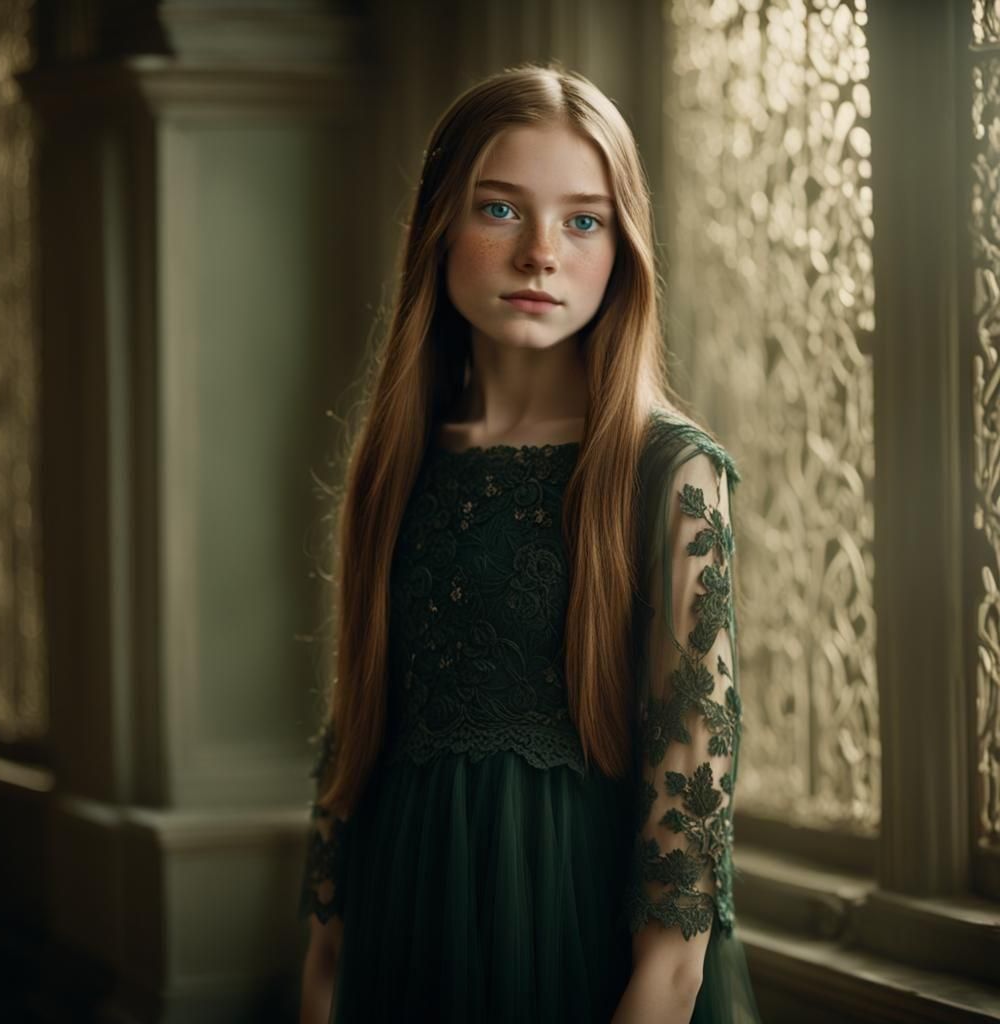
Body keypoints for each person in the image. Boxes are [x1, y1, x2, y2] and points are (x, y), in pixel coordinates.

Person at [297, 60, 763, 1024]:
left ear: (621, 249)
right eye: (502, 210)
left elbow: (687, 847)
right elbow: (354, 748)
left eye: (584, 219)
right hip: (405, 932)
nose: (541, 252)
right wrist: (322, 974)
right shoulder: (399, 463)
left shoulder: (669, 475)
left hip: (572, 944)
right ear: (438, 228)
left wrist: (658, 993)